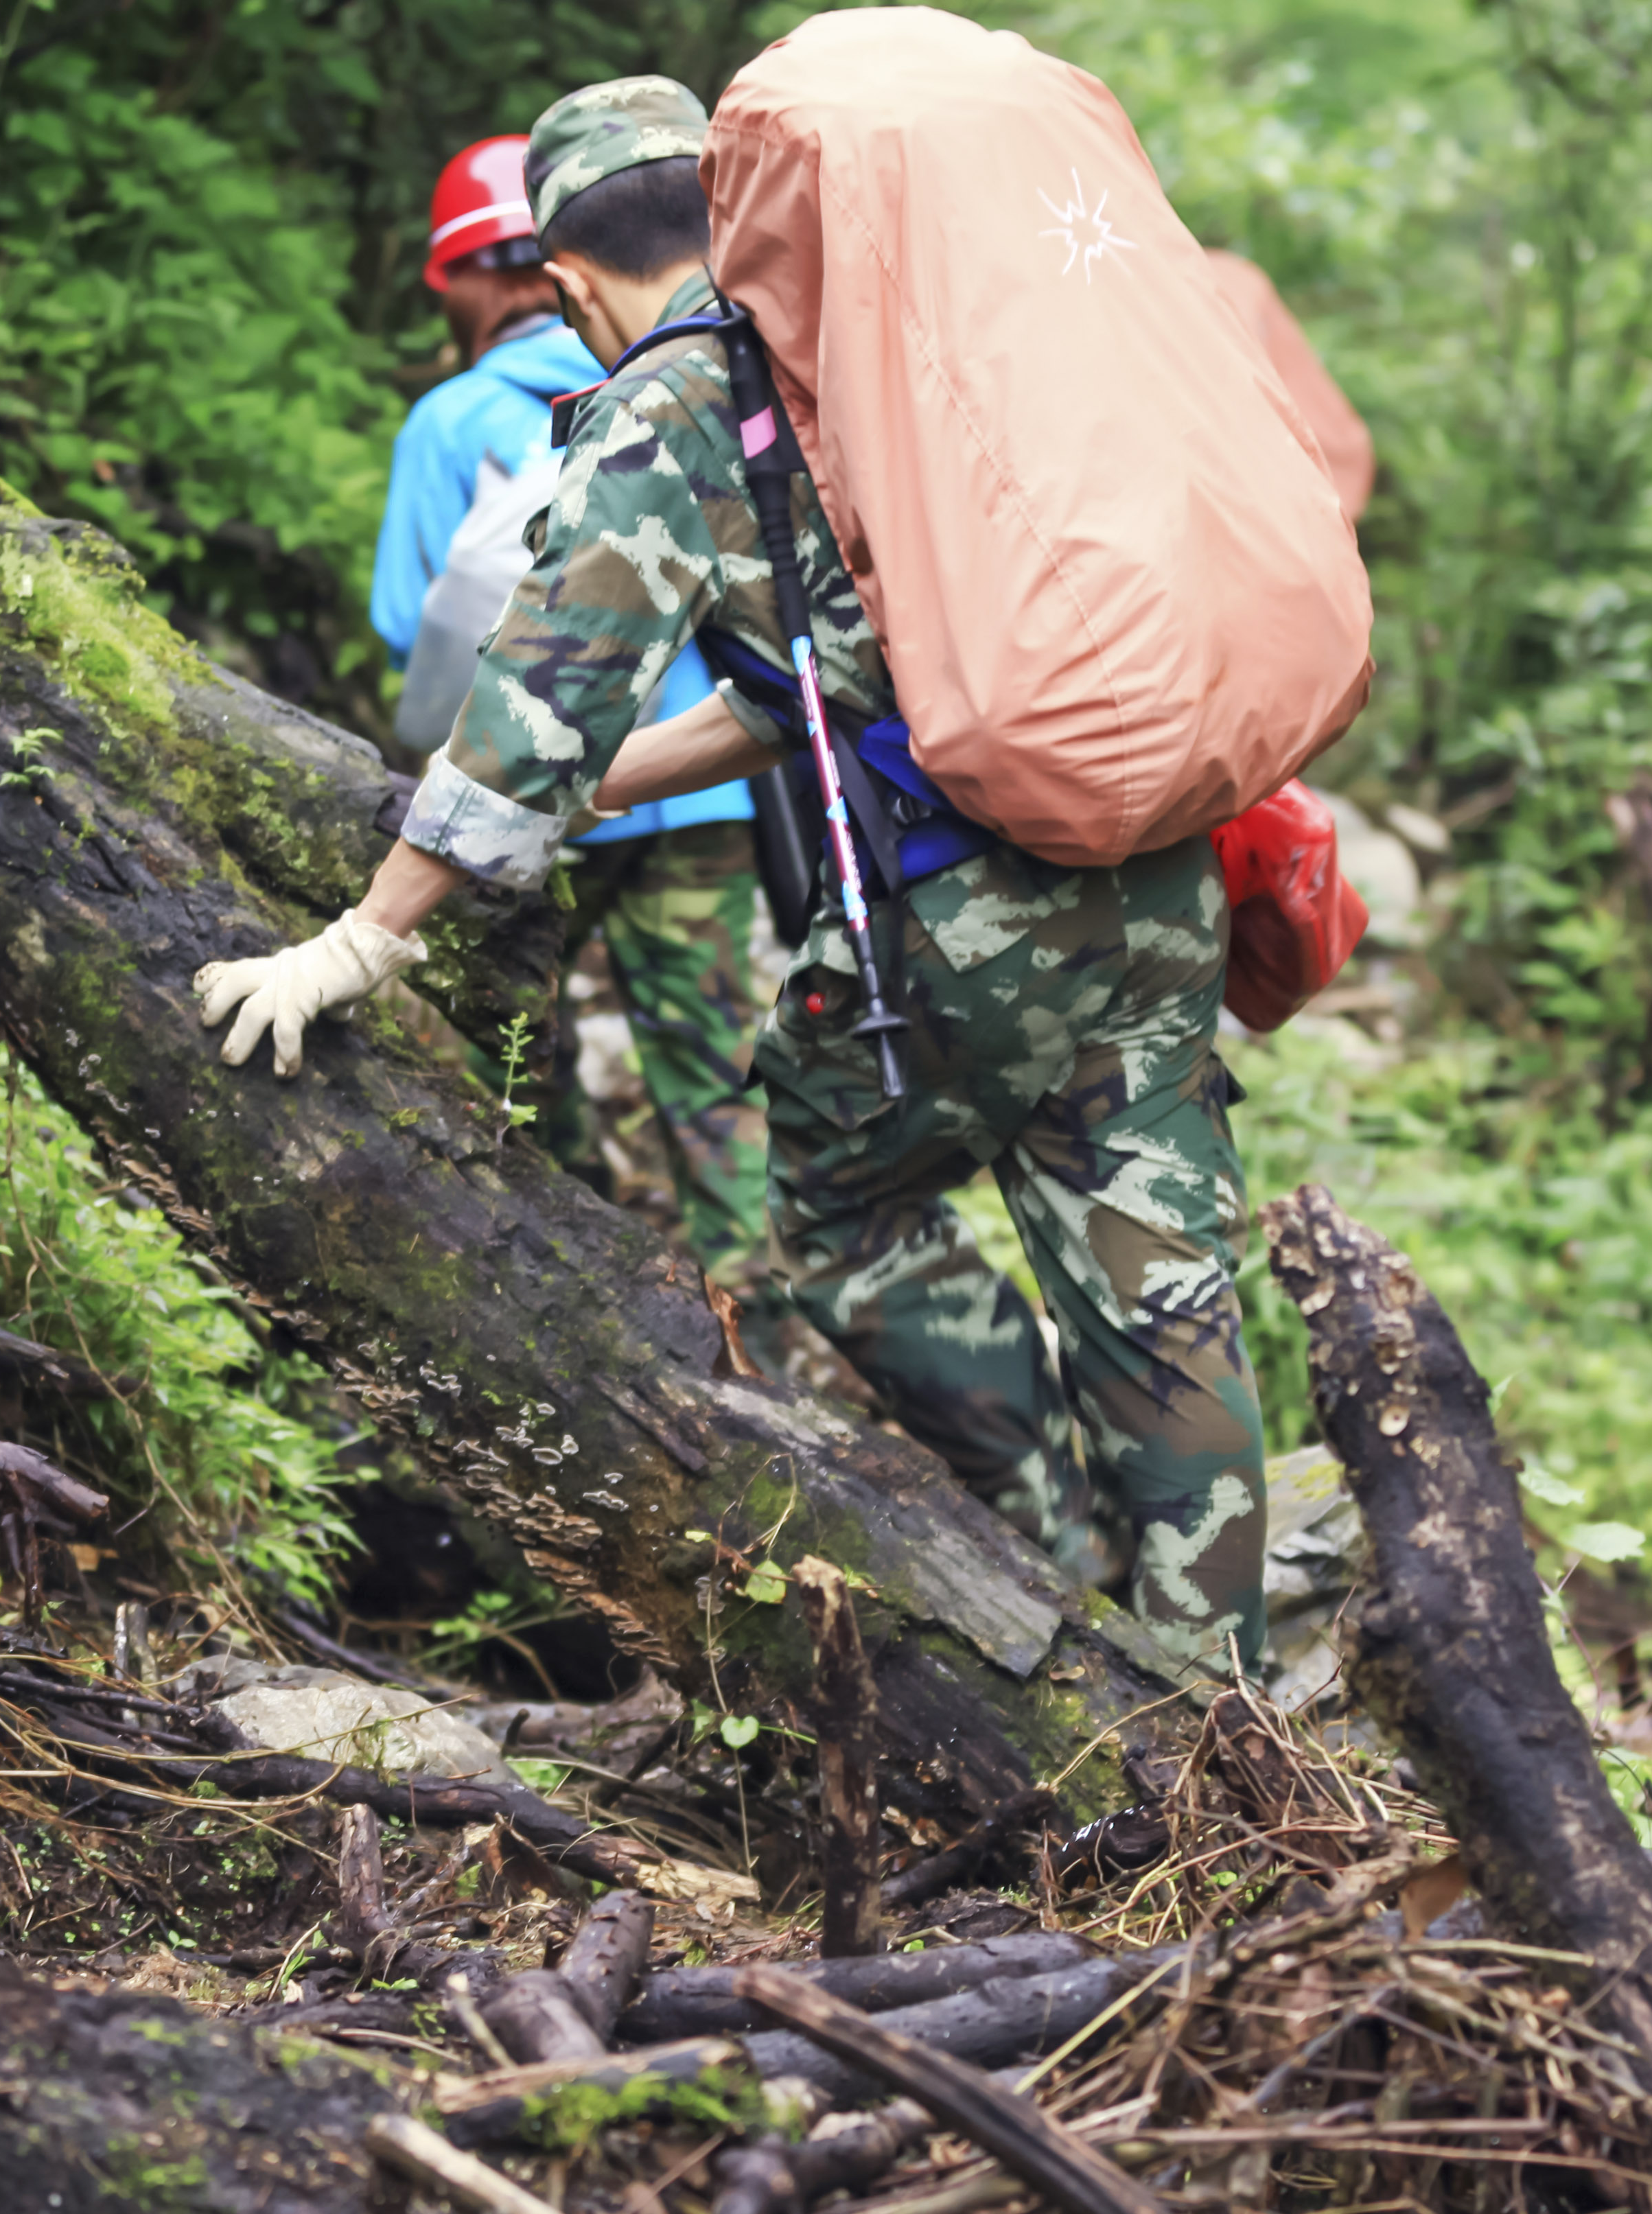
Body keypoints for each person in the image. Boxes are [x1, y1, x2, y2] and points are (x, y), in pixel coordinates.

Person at [201, 78, 1271, 1673]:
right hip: (1154, 867)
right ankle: (1223, 1700)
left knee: (832, 1225)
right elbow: (800, 690)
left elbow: (537, 697)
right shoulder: (883, 354)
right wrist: (570, 797)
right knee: (1164, 1281)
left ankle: (1058, 1534)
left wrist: (363, 937)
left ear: (564, 283)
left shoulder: (679, 396)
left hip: (970, 918)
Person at [369, 133, 769, 1285]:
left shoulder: (452, 420)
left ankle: (543, 1276)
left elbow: (412, 624)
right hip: (701, 784)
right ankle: (767, 1322)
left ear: (483, 277)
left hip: (532, 802)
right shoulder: (711, 380)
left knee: (502, 1044)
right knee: (714, 1082)